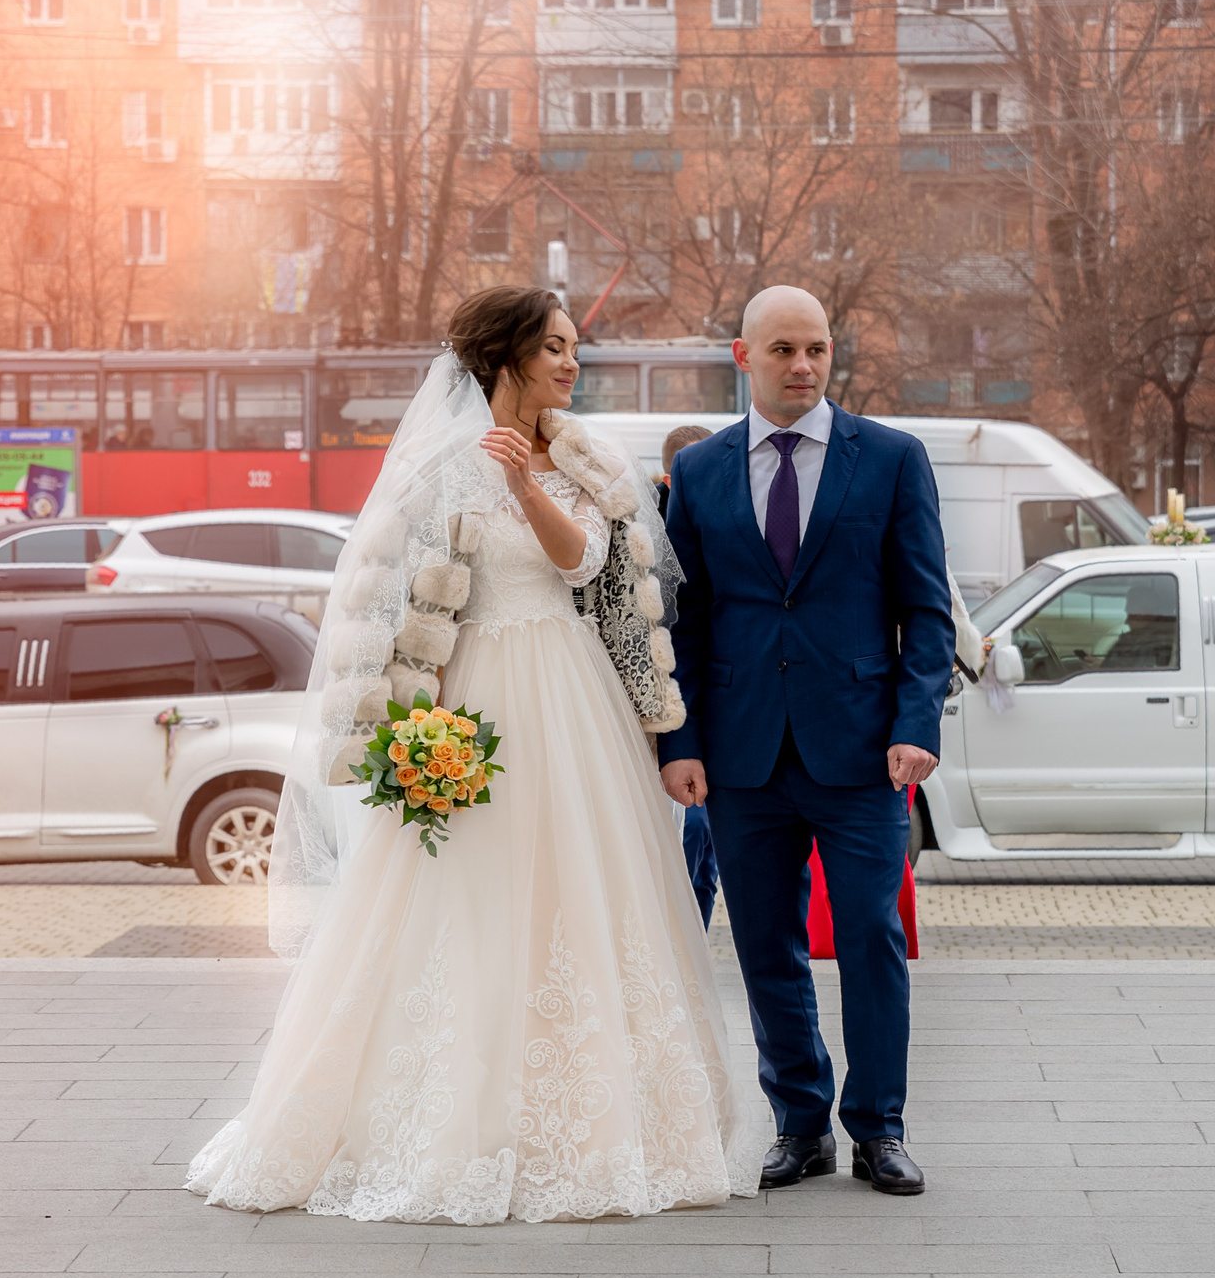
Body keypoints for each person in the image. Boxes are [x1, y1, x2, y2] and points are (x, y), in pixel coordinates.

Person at [186, 286, 769, 1224]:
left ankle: (603, 1124)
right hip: (471, 704)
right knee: (462, 900)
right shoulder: (433, 471)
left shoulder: (585, 457)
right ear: (506, 359)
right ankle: (435, 1119)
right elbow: (372, 614)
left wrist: (525, 484)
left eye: (576, 348)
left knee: (587, 891)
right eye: (557, 349)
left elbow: (587, 567)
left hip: (575, 698)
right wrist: (396, 729)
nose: (573, 365)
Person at [659, 285, 956, 1197]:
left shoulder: (894, 459)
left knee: (869, 936)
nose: (804, 365)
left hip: (865, 751)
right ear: (743, 356)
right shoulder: (702, 470)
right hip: (743, 758)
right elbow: (684, 620)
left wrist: (915, 725)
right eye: (783, 349)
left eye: (818, 349)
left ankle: (879, 1127)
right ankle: (799, 1122)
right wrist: (681, 741)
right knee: (764, 944)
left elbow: (927, 610)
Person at [657, 423, 721, 929]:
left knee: (704, 848)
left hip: (714, 706)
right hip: (665, 703)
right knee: (686, 834)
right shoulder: (646, 531)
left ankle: (694, 935)